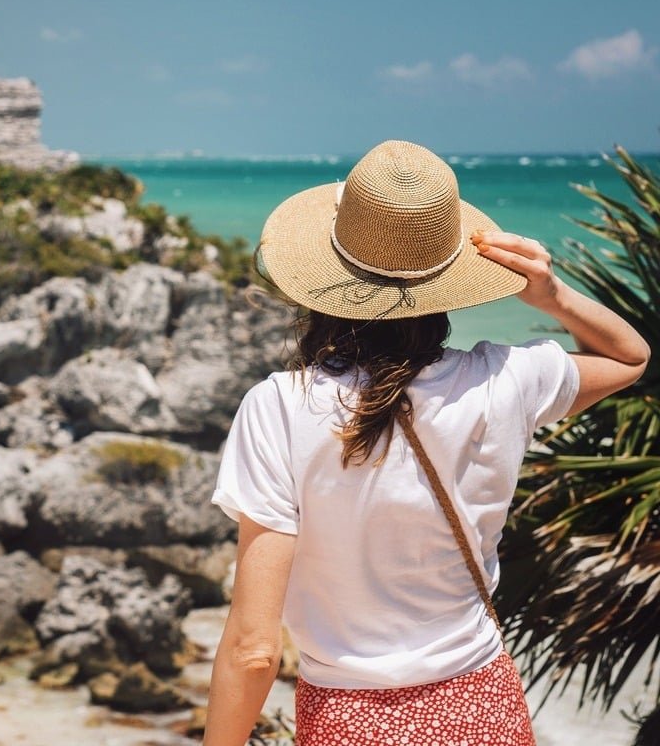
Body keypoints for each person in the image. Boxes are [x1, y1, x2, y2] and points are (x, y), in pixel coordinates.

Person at [201, 140, 650, 746]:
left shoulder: (279, 407)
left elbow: (255, 651)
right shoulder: (505, 380)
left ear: (328, 279)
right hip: (481, 705)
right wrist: (551, 295)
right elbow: (630, 357)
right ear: (447, 279)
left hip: (346, 717)